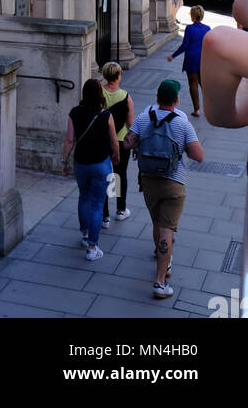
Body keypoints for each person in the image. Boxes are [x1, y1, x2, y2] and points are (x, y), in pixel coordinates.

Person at [125, 77, 204, 299]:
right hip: (173, 183)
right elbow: (198, 156)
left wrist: (140, 142)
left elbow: (127, 143)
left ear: (157, 98)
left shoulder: (143, 117)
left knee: (157, 224)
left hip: (149, 181)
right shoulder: (182, 122)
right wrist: (184, 148)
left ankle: (164, 261)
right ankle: (160, 282)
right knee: (167, 230)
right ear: (177, 100)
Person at [62, 77, 120, 263]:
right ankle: (93, 248)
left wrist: (64, 161)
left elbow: (70, 140)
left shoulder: (74, 113)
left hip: (81, 163)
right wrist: (116, 156)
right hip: (100, 164)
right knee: (96, 204)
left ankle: (85, 235)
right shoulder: (106, 115)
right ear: (99, 94)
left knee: (83, 198)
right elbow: (113, 140)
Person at [101, 61, 134, 225]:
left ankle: (104, 215)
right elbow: (130, 123)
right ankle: (121, 210)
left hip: (102, 140)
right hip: (120, 141)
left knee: (105, 175)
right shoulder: (126, 96)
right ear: (118, 76)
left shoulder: (99, 93)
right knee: (119, 174)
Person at [167, 5, 211, 116]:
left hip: (191, 59)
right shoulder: (207, 29)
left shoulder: (190, 29)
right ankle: (212, 107)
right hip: (204, 59)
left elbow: (185, 45)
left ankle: (197, 109)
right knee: (204, 84)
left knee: (193, 84)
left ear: (192, 16)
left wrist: (173, 55)